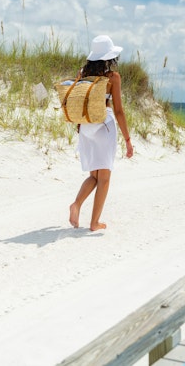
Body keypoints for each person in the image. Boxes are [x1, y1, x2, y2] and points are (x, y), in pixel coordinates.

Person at [69, 35, 134, 231]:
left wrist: (80, 127)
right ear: (109, 56)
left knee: (94, 176)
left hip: (85, 126)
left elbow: (78, 101)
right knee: (104, 177)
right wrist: (128, 140)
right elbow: (119, 111)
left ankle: (77, 204)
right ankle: (94, 222)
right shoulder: (112, 78)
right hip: (103, 125)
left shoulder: (82, 74)